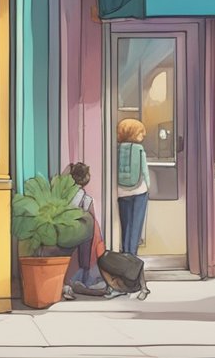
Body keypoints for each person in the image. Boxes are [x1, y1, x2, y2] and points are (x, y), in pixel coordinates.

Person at [63, 162, 108, 301]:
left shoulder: (65, 191)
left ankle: (82, 277)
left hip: (66, 228)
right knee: (90, 236)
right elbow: (87, 214)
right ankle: (86, 276)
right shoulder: (83, 196)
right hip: (76, 232)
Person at [114, 118, 151, 256]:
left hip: (122, 191)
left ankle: (125, 252)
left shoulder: (116, 148)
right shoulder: (139, 149)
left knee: (126, 224)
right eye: (141, 133)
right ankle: (132, 255)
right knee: (136, 225)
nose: (143, 136)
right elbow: (144, 170)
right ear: (133, 133)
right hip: (139, 190)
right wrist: (149, 185)